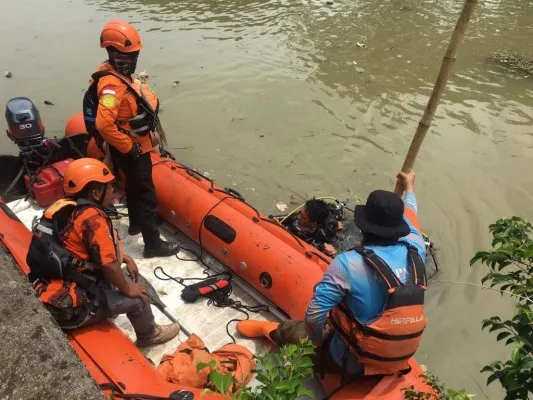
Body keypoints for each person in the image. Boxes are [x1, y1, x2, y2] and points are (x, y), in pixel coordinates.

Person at [237, 171, 427, 378]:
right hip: (394, 355)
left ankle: (270, 330)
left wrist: (318, 343)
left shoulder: (349, 264)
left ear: (363, 226)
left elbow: (314, 315)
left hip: (351, 360)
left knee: (294, 330)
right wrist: (410, 189)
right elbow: (412, 214)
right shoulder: (416, 247)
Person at [27, 158, 180, 347]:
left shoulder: (65, 209)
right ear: (96, 193)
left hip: (48, 285)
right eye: (110, 187)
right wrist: (128, 288)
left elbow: (78, 250)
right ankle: (149, 335)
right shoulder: (94, 220)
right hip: (68, 309)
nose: (114, 191)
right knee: (140, 297)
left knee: (119, 280)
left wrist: (125, 257)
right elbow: (108, 265)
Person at [83, 20, 178, 258]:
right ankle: (153, 244)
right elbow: (104, 124)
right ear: (112, 52)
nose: (133, 59)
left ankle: (136, 223)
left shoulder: (112, 71)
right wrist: (130, 148)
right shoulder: (111, 85)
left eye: (134, 54)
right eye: (128, 54)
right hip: (130, 145)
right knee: (145, 192)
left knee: (134, 187)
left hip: (128, 144)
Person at [277, 199, 343, 257]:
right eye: (300, 212)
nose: (299, 217)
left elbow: (336, 250)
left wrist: (327, 252)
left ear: (313, 223)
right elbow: (273, 218)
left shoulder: (322, 234)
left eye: (303, 217)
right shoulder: (295, 217)